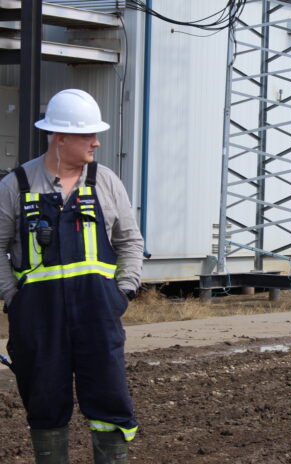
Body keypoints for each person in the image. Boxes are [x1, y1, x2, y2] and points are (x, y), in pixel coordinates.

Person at [0, 89, 144, 464]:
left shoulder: (106, 181)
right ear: (60, 138)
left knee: (110, 400)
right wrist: (13, 299)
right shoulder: (15, 186)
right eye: (88, 135)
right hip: (38, 320)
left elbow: (130, 241)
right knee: (45, 403)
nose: (97, 142)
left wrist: (123, 292)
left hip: (98, 316)